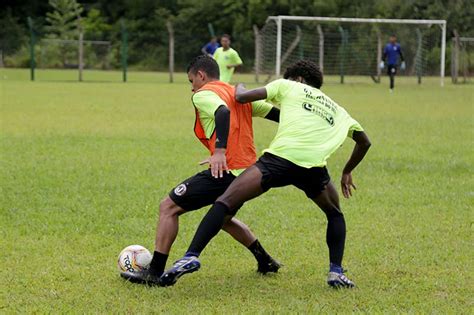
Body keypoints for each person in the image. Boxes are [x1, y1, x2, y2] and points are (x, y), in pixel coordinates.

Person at [160, 60, 372, 288]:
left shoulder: (289, 86)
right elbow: (364, 142)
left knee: (225, 202)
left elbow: (240, 97)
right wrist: (347, 171)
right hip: (313, 167)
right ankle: (336, 272)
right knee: (335, 214)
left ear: (298, 79)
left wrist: (239, 85)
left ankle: (191, 255)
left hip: (279, 161)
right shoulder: (338, 110)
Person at [120, 55, 281, 286]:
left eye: (191, 80)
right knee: (223, 219)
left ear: (201, 75)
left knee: (168, 206)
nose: (192, 87)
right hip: (249, 174)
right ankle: (265, 260)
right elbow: (278, 115)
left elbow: (222, 112)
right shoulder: (238, 94)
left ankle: (154, 272)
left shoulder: (204, 94)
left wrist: (219, 151)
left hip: (225, 170)